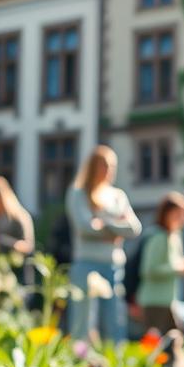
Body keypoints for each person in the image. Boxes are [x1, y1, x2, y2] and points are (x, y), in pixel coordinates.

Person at [67, 145, 141, 343]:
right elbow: (84, 227)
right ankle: (79, 361)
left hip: (113, 264)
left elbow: (134, 228)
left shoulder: (118, 196)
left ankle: (115, 364)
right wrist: (116, 224)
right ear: (93, 167)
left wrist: (104, 222)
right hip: (86, 263)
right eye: (104, 165)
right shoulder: (78, 194)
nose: (109, 171)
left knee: (115, 319)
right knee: (83, 320)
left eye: (112, 166)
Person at [137, 192, 184, 334]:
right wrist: (178, 267)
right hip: (155, 301)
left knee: (175, 341)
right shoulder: (158, 236)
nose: (182, 218)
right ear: (166, 213)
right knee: (155, 344)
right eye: (178, 214)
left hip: (170, 300)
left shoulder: (175, 236)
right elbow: (148, 270)